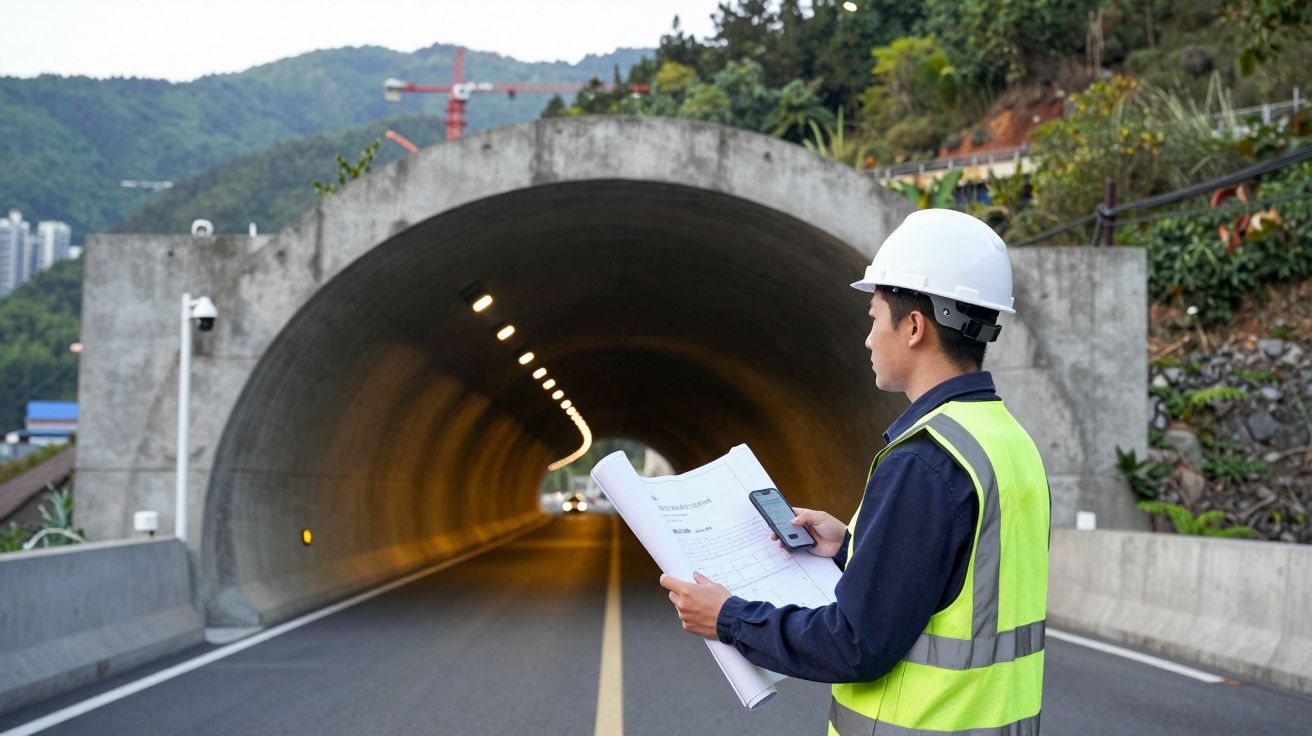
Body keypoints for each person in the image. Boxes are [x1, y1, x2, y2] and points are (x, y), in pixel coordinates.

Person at [661, 209, 1051, 735]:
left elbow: (854, 644)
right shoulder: (1007, 441)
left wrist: (728, 617)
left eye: (873, 317)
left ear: (913, 327)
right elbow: (959, 582)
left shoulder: (924, 461)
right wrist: (850, 546)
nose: (868, 338)